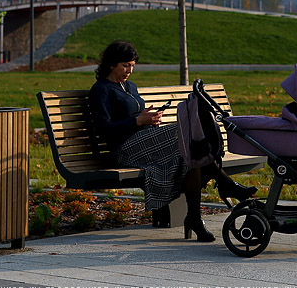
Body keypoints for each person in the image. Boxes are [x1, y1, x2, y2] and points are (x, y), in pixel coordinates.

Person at [89, 40, 256, 242]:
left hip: (145, 140)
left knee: (189, 153)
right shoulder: (101, 90)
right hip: (124, 149)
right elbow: (104, 129)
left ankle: (194, 217)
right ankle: (226, 184)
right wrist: (137, 121)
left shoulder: (129, 86)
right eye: (125, 65)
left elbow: (134, 116)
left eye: (132, 66)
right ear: (111, 64)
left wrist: (148, 118)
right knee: (185, 135)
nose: (129, 71)